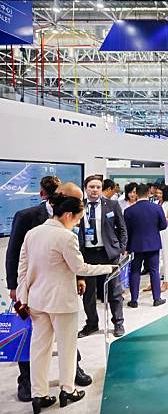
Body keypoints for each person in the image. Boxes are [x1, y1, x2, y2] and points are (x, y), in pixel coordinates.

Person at [16, 193, 115, 413]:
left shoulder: (33, 233)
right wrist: (109, 268)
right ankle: (67, 390)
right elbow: (80, 268)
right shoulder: (65, 237)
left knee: (39, 349)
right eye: (78, 219)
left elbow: (22, 268)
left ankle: (39, 395)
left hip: (36, 301)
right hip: (61, 303)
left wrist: (23, 296)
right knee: (67, 347)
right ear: (68, 215)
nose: (78, 223)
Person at [4, 177, 92, 403]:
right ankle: (29, 383)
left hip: (58, 289)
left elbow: (75, 251)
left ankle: (62, 382)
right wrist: (15, 287)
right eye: (77, 203)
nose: (79, 208)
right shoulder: (27, 217)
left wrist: (79, 276)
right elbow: (15, 254)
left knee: (61, 342)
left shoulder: (70, 222)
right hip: (40, 295)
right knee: (37, 343)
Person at [77, 176, 128, 339]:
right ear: (85, 188)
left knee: (114, 291)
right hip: (87, 255)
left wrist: (121, 248)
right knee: (88, 293)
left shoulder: (112, 205)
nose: (95, 190)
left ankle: (118, 322)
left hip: (109, 254)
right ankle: (92, 323)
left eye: (98, 187)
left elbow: (122, 228)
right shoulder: (79, 207)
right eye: (91, 187)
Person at [124, 183, 168, 308]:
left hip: (136, 245)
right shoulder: (157, 208)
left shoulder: (129, 211)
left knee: (135, 271)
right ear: (149, 193)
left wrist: (126, 247)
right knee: (154, 271)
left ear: (136, 194)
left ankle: (134, 300)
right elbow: (163, 225)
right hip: (153, 244)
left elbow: (127, 231)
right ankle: (156, 298)